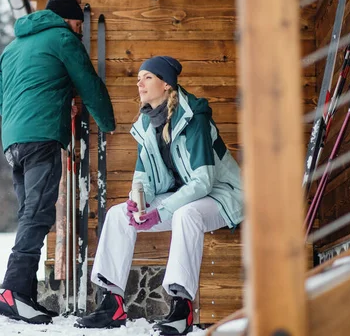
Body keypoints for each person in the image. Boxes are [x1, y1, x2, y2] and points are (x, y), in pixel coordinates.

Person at [75, 56, 243, 335]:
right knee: (119, 215)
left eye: (148, 77)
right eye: (139, 77)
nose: (139, 82)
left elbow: (203, 182)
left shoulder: (194, 118)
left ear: (166, 84)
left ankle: (181, 308)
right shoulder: (146, 124)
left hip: (221, 196)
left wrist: (161, 211)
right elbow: (144, 178)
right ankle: (112, 302)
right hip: (181, 195)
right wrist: (136, 201)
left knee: (185, 214)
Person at [0, 0, 116, 325]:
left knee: (29, 214)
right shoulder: (62, 37)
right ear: (66, 20)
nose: (78, 32)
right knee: (38, 213)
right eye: (78, 25)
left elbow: (6, 103)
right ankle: (13, 291)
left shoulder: (10, 49)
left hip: (12, 142)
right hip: (42, 136)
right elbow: (87, 82)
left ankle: (24, 296)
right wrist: (107, 123)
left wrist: (62, 106)